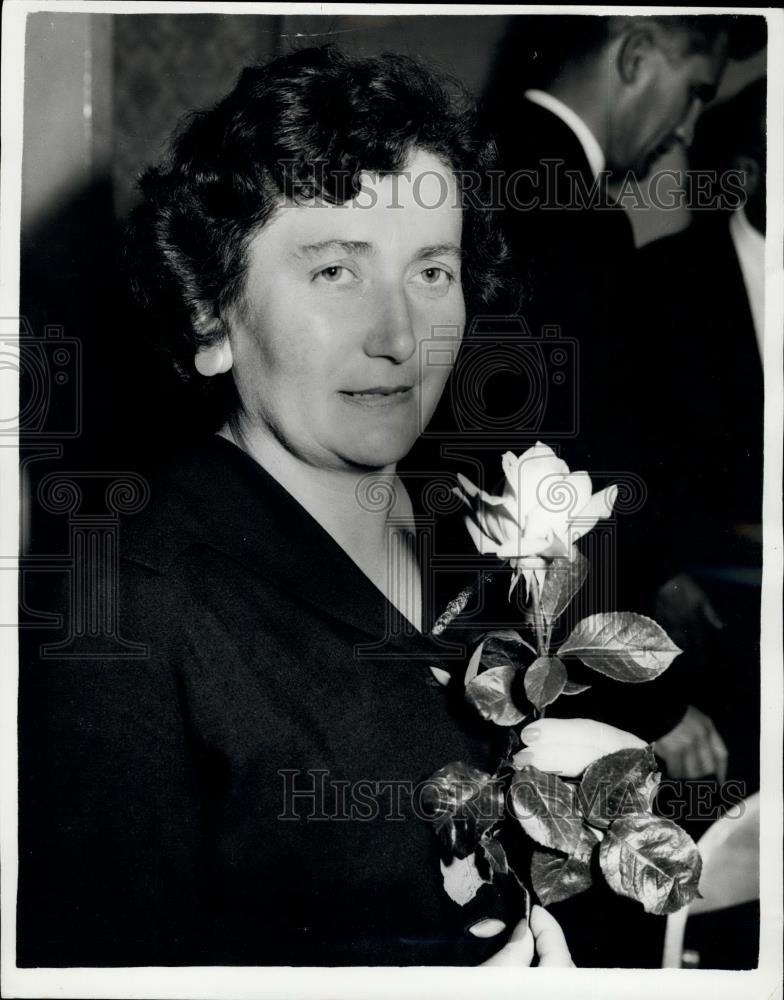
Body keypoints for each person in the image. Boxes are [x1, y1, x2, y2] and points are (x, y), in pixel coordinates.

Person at [17, 45, 602, 969]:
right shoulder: (126, 603)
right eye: (336, 271)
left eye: (432, 272)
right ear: (212, 318)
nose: (400, 337)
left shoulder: (482, 530)